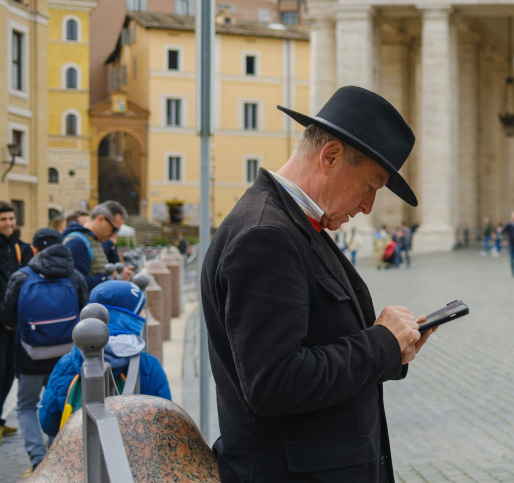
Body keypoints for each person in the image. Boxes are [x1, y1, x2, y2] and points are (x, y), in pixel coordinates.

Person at [201, 86, 435, 482]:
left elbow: (318, 342)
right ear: (330, 157)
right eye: (370, 186)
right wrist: (380, 342)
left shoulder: (289, 222)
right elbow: (274, 382)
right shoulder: (266, 236)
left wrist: (393, 351)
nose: (368, 207)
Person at [0, 228, 88, 472]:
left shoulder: (21, 276)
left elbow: (7, 319)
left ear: (35, 249)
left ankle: (38, 459)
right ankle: (57, 459)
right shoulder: (74, 276)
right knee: (61, 405)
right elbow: (86, 314)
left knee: (26, 406)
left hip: (29, 355)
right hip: (66, 356)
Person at [39, 280, 171, 439]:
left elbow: (48, 422)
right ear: (126, 316)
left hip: (80, 457)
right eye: (141, 310)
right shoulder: (148, 365)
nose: (144, 315)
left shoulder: (67, 363)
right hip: (134, 459)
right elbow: (166, 422)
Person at [0, 201, 31, 439]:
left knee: (10, 371)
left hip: (15, 320)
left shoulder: (19, 247)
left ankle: (0, 420)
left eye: (11, 218)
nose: (8, 223)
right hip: (2, 320)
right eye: (3, 220)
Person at [62, 201, 133, 291]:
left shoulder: (92, 240)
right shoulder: (77, 243)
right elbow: (77, 284)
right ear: (100, 219)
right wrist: (111, 276)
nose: (114, 234)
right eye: (114, 229)